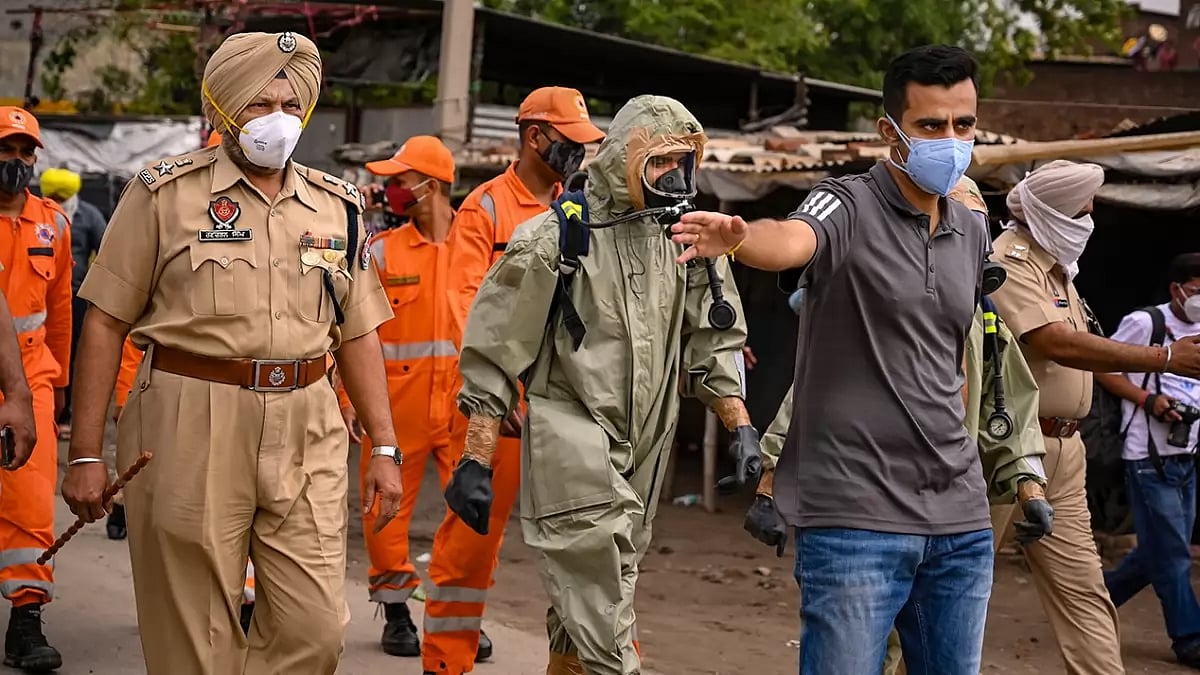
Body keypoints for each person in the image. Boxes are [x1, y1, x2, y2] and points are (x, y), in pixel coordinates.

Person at [61, 31, 402, 675]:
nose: (278, 119)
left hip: (309, 420)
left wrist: (383, 446)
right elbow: (104, 324)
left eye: (290, 105)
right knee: (196, 635)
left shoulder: (339, 206)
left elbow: (358, 330)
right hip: (192, 415)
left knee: (316, 629)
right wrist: (85, 454)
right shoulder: (164, 194)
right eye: (258, 104)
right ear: (220, 109)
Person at [672, 45, 1004, 674]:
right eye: (932, 125)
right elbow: (791, 239)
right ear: (891, 131)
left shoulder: (972, 230)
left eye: (964, 125)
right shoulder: (846, 203)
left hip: (960, 519)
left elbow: (957, 365)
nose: (952, 140)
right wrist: (740, 238)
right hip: (856, 519)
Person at [447, 93, 758, 675]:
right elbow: (493, 351)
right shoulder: (554, 241)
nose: (675, 174)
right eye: (660, 160)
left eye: (682, 162)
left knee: (605, 586)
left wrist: (740, 426)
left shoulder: (689, 243)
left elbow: (712, 342)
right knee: (601, 595)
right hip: (573, 438)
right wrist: (476, 456)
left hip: (646, 442)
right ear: (624, 159)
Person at [745, 176, 1051, 675]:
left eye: (971, 222)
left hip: (955, 516)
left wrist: (1030, 485)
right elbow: (805, 398)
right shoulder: (857, 312)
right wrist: (769, 484)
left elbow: (1012, 406)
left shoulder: (986, 327)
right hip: (860, 515)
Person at [988, 161, 1200, 675]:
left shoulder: (1061, 270)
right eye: (1083, 210)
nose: (1090, 219)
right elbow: (1052, 341)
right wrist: (1164, 359)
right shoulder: (1009, 262)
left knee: (1084, 591)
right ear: (1053, 213)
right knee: (950, 584)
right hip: (1007, 450)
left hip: (1063, 452)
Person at [421, 86, 605, 675]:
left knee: (588, 545)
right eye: (569, 142)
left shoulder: (577, 207)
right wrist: (501, 395)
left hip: (564, 408)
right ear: (535, 137)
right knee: (471, 539)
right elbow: (466, 311)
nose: (579, 154)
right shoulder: (484, 210)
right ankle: (447, 660)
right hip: (498, 410)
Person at [335, 136, 459, 657]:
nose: (392, 190)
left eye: (401, 180)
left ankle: (459, 617)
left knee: (472, 511)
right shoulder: (381, 251)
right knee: (385, 509)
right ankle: (397, 611)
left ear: (430, 187)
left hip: (464, 404)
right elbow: (352, 330)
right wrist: (347, 399)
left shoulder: (478, 249)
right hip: (395, 403)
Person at [1098, 254, 1200, 668]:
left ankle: (1092, 605)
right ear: (1176, 289)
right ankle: (1190, 638)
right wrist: (1149, 400)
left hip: (1186, 455)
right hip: (1147, 456)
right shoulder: (1146, 324)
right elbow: (1104, 367)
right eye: (1197, 291)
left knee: (1156, 552)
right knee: (1174, 554)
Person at [0, 107, 73, 673]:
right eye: (7, 150)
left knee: (30, 499)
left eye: (26, 153)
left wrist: (63, 386)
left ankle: (26, 620)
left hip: (33, 379)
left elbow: (60, 313)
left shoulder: (56, 226)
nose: (16, 162)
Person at [38, 167, 105, 442]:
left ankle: (65, 414)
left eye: (61, 196)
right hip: (35, 298)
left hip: (75, 297)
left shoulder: (88, 215)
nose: (56, 200)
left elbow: (105, 249)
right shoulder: (35, 212)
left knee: (72, 354)